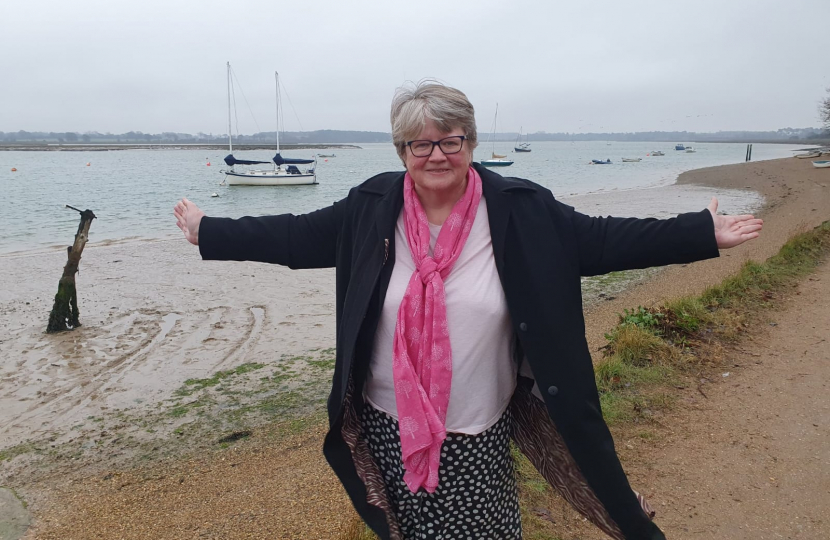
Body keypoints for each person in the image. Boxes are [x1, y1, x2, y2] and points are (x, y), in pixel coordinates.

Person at [174, 81, 762, 540]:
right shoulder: (371, 207)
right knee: (401, 527)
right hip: (387, 420)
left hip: (476, 425)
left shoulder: (521, 210)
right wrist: (211, 232)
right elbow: (296, 238)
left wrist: (699, 233)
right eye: (420, 143)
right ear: (402, 150)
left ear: (471, 143)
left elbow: (605, 240)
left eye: (450, 139)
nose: (436, 154)